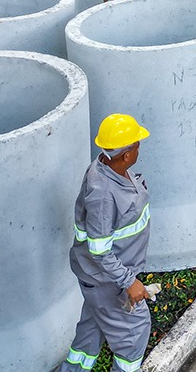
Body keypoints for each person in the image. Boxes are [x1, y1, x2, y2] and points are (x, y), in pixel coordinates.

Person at [59, 114, 152, 372]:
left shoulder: (110, 168)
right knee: (134, 331)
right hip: (105, 280)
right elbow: (99, 251)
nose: (138, 149)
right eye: (136, 145)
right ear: (125, 155)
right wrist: (129, 282)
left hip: (98, 278)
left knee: (93, 327)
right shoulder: (103, 195)